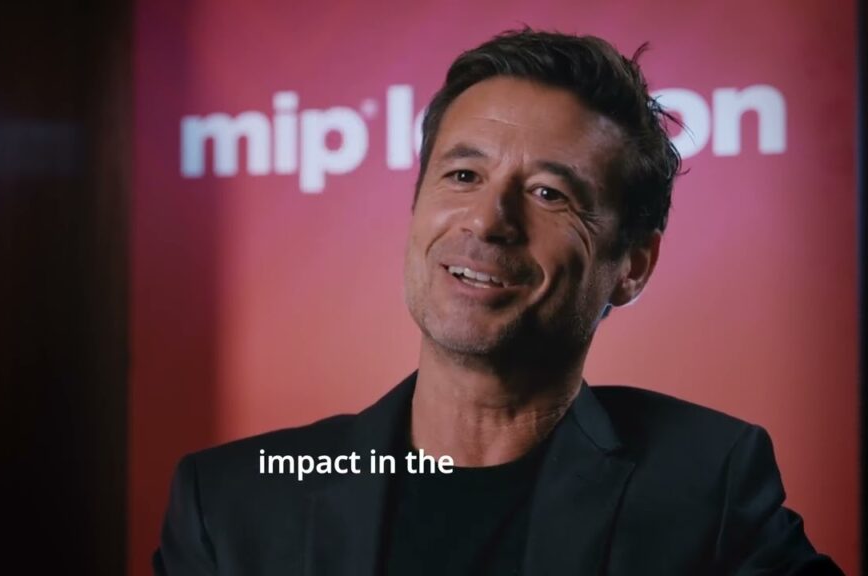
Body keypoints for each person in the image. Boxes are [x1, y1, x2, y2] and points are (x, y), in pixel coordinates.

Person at [154, 28, 843, 575]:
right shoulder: (233, 503)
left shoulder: (706, 486)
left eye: (549, 193)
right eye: (462, 175)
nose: (487, 221)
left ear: (632, 268)